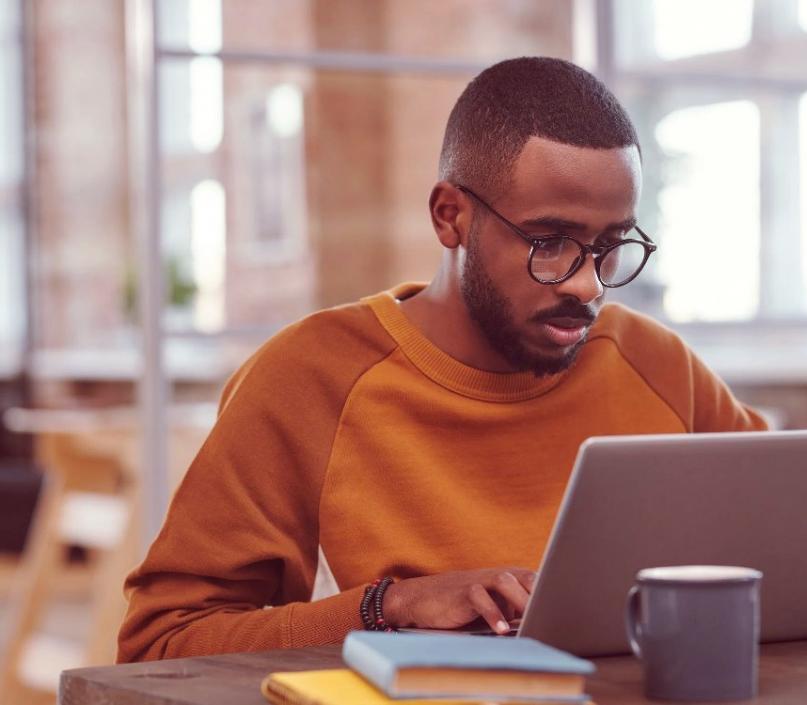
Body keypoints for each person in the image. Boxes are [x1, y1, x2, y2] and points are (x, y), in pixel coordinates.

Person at [117, 56, 766, 663]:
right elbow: (159, 644)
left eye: (609, 245)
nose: (587, 284)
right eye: (550, 241)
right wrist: (388, 606)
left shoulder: (656, 363)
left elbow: (792, 546)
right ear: (449, 215)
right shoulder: (311, 377)